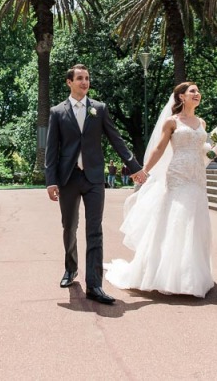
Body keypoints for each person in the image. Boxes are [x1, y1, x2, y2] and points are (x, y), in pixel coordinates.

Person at [45, 64, 146, 305]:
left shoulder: (99, 109)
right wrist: (51, 181)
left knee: (95, 230)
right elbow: (52, 149)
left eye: (87, 78)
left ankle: (95, 285)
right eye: (79, 78)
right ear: (69, 82)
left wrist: (135, 167)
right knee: (69, 227)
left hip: (93, 178)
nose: (84, 82)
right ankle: (71, 269)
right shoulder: (57, 112)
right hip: (68, 177)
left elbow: (116, 139)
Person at [106, 82, 215, 297]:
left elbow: (203, 151)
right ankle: (166, 274)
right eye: (192, 91)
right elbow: (159, 148)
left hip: (197, 175)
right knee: (177, 219)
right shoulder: (172, 122)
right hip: (178, 175)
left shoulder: (201, 122)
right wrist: (144, 171)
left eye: (198, 91)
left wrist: (216, 150)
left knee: (197, 221)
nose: (197, 94)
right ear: (181, 97)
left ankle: (191, 274)